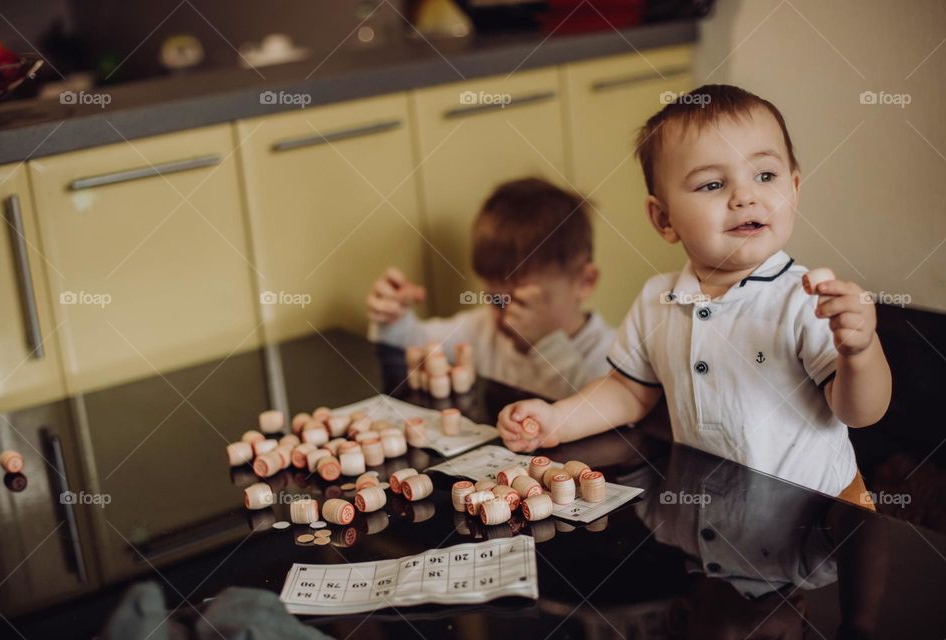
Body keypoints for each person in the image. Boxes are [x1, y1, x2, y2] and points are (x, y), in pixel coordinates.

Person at [497, 85, 892, 501]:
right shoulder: (656, 301)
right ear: (664, 219)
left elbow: (861, 413)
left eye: (765, 176)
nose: (745, 196)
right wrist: (557, 419)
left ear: (793, 189)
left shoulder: (806, 300)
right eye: (712, 185)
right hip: (711, 514)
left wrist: (859, 352)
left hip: (821, 516)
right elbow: (628, 391)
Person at [367, 177, 614, 400]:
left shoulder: (613, 354)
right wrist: (393, 317)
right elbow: (413, 345)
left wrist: (545, 344)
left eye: (523, 304)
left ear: (585, 282)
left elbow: (598, 411)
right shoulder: (484, 330)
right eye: (497, 300)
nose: (508, 318)